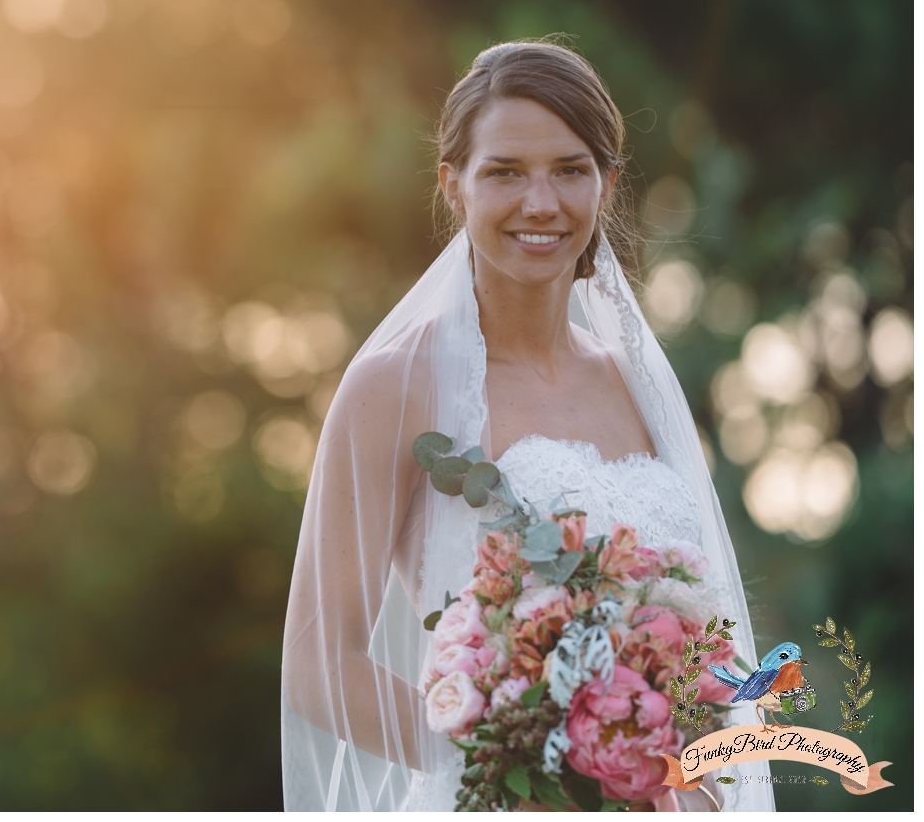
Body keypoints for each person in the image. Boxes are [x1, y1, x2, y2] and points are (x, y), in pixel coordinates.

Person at [280, 41, 773, 811]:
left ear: (606, 184)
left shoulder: (637, 382)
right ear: (454, 186)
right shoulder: (392, 390)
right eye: (504, 171)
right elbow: (318, 662)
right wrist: (530, 767)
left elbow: (703, 643)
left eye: (569, 170)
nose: (540, 202)